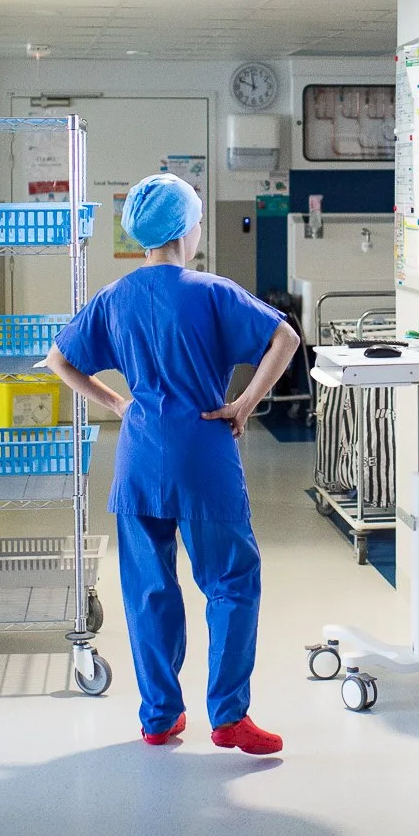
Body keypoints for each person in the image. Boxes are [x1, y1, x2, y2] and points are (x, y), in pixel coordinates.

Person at [42, 173, 300, 755]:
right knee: (231, 582)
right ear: (189, 227)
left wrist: (114, 401)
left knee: (149, 589)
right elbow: (284, 339)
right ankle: (229, 717)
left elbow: (59, 358)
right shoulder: (211, 290)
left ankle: (159, 717)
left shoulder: (116, 296)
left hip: (139, 459)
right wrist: (243, 404)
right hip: (204, 454)